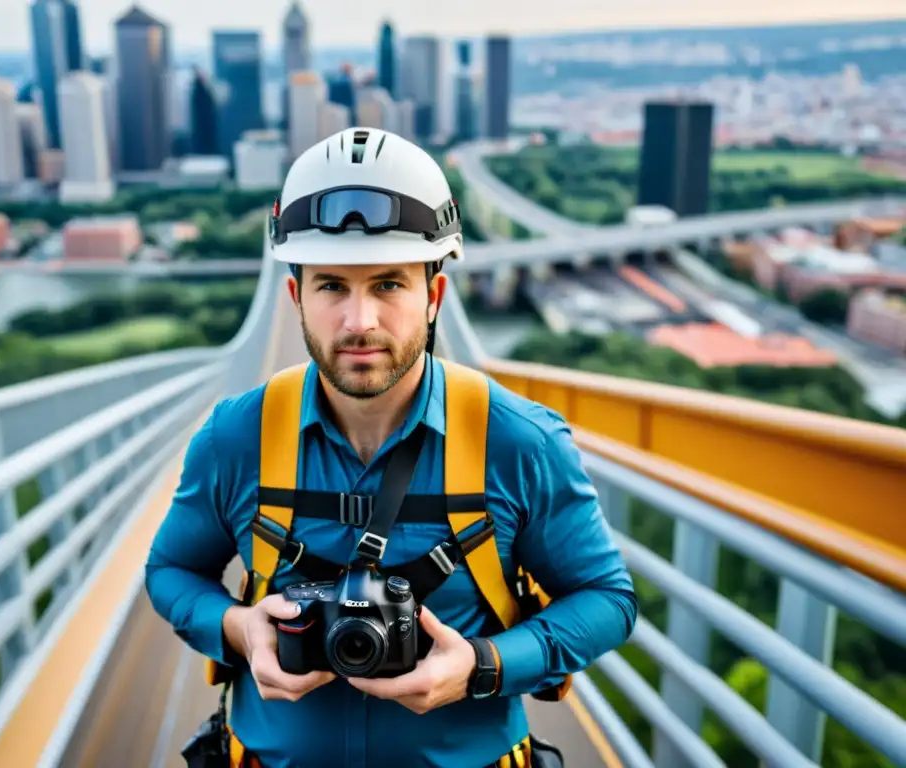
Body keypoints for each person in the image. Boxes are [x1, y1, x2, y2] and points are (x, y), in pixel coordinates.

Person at [145, 127, 637, 768]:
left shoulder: (518, 443)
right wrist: (238, 630)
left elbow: (608, 597)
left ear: (434, 296)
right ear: (294, 297)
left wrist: (483, 667)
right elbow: (170, 571)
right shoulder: (235, 438)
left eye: (388, 285)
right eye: (330, 287)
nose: (359, 322)